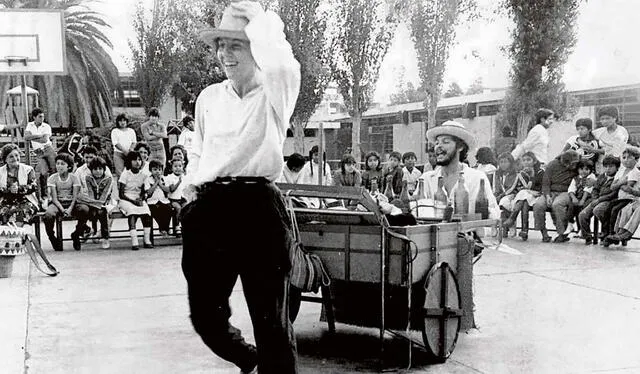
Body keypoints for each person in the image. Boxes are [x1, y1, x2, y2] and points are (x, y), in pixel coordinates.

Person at [182, 1, 300, 372]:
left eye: (235, 45)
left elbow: (283, 64)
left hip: (258, 208)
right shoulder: (209, 98)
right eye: (221, 46)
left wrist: (259, 18)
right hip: (210, 208)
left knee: (272, 325)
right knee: (205, 317)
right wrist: (190, 193)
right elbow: (199, 151)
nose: (224, 55)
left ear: (256, 46)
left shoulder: (274, 93)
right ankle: (246, 358)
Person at [418, 121, 500, 219]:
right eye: (437, 143)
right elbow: (416, 213)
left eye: (446, 142)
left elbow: (493, 216)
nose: (438, 146)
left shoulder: (477, 178)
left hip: (470, 233)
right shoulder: (426, 179)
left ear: (460, 146)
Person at [532, 150, 579, 243]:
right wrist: (548, 196)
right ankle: (544, 232)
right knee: (538, 205)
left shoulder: (577, 164)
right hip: (551, 191)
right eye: (572, 164)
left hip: (566, 192)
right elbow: (545, 182)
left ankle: (562, 233)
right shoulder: (552, 165)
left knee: (557, 205)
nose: (574, 166)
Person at [43, 153, 87, 251]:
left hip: (72, 203)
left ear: (69, 166)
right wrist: (63, 210)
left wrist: (70, 209)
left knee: (85, 209)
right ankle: (52, 237)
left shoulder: (74, 178)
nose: (59, 166)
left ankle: (76, 234)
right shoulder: (52, 178)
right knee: (48, 215)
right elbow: (54, 198)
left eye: (62, 164)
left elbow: (75, 197)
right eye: (57, 163)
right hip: (57, 203)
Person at [599, 147, 640, 244]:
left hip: (629, 199)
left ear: (637, 159)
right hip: (620, 197)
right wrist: (622, 182)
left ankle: (614, 233)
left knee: (616, 210)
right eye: (624, 157)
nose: (625, 160)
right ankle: (608, 234)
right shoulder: (621, 171)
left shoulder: (636, 172)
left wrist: (619, 183)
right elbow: (613, 187)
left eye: (629, 158)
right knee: (608, 209)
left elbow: (628, 186)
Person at [577, 155, 620, 245]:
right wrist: (595, 198)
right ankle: (587, 236)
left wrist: (599, 200)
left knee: (599, 210)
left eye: (611, 167)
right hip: (597, 200)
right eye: (606, 167)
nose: (608, 169)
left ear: (617, 168)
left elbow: (613, 194)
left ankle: (606, 233)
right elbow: (595, 189)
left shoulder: (617, 178)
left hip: (608, 201)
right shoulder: (602, 176)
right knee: (582, 215)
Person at [503, 152, 544, 241]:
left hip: (537, 195)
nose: (526, 162)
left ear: (534, 161)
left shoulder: (540, 172)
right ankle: (524, 230)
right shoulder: (522, 173)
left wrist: (532, 175)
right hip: (525, 196)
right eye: (524, 160)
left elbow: (540, 186)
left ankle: (512, 218)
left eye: (529, 160)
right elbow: (517, 187)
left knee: (524, 195)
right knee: (524, 201)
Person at [118, 151, 153, 250]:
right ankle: (134, 241)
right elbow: (121, 194)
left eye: (139, 160)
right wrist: (133, 202)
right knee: (132, 212)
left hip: (137, 198)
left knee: (146, 212)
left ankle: (146, 240)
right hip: (126, 199)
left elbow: (145, 191)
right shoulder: (125, 174)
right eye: (134, 160)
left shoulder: (144, 175)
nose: (137, 162)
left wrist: (141, 198)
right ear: (129, 161)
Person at [0, 144, 39, 226]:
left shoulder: (28, 169)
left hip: (26, 201)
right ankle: (7, 236)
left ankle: (19, 236)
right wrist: (8, 190)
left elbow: (34, 186)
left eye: (17, 155)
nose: (15, 158)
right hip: (6, 201)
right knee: (3, 212)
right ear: (5, 159)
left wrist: (19, 189)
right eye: (11, 156)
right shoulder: (0, 171)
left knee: (20, 213)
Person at [24, 108, 56, 205]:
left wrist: (32, 137)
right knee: (43, 173)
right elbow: (25, 138)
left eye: (43, 116)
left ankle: (56, 196)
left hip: (48, 149)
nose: (42, 118)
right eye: (40, 117)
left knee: (54, 171)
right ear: (34, 117)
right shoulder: (30, 125)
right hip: (38, 152)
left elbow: (45, 140)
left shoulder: (46, 126)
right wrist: (39, 135)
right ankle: (45, 196)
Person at [82, 156, 113, 249]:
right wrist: (94, 203)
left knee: (102, 213)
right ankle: (91, 231)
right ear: (91, 170)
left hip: (106, 202)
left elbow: (105, 193)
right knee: (90, 212)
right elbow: (90, 192)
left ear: (104, 169)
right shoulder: (88, 178)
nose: (98, 171)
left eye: (100, 169)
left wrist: (100, 204)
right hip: (92, 201)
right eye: (95, 169)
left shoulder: (108, 178)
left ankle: (105, 237)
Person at [565, 159, 596, 235]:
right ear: (578, 169)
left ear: (590, 170)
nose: (584, 171)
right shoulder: (576, 178)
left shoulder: (591, 177)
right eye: (581, 169)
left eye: (586, 169)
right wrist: (574, 198)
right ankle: (570, 223)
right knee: (571, 205)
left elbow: (587, 190)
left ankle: (582, 229)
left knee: (583, 208)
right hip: (578, 197)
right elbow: (571, 189)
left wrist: (582, 200)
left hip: (589, 197)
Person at [145, 159, 173, 236]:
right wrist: (156, 183)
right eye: (155, 169)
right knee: (156, 211)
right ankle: (162, 228)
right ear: (150, 170)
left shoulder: (164, 178)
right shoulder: (148, 179)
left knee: (168, 209)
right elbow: (148, 192)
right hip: (152, 201)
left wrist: (160, 184)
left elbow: (167, 190)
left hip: (163, 200)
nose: (157, 171)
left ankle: (165, 228)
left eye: (159, 169)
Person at [493, 152, 519, 231]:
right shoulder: (497, 173)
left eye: (505, 162)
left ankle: (510, 225)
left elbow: (512, 187)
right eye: (501, 162)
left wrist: (501, 195)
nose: (503, 164)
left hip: (512, 194)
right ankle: (494, 225)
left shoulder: (515, 173)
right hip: (500, 194)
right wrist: (495, 195)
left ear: (510, 163)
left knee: (504, 202)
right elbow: (495, 186)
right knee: (492, 202)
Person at [110, 113, 137, 177]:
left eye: (124, 120)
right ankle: (120, 187)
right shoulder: (115, 131)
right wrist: (124, 151)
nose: (122, 122)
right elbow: (115, 143)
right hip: (119, 154)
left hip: (130, 154)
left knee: (130, 172)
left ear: (127, 121)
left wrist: (131, 149)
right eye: (120, 121)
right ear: (118, 122)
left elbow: (134, 142)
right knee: (120, 173)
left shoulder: (131, 131)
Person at [164, 159, 186, 236]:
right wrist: (179, 182)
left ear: (183, 167)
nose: (178, 168)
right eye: (175, 166)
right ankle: (177, 226)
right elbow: (172, 190)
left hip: (182, 199)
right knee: (178, 208)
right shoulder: (170, 177)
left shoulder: (184, 177)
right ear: (171, 168)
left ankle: (184, 226)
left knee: (186, 207)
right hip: (173, 200)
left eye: (180, 166)